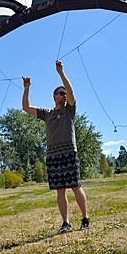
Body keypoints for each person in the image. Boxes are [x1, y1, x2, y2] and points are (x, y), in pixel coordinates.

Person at [22, 60, 90, 233]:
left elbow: (72, 91)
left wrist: (61, 72)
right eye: (61, 93)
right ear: (55, 96)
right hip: (53, 156)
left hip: (69, 153)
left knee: (76, 186)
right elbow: (26, 107)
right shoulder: (47, 114)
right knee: (60, 191)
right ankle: (66, 223)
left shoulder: (70, 111)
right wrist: (27, 87)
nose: (64, 95)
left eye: (65, 93)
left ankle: (85, 219)